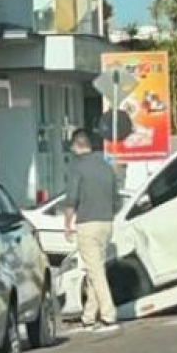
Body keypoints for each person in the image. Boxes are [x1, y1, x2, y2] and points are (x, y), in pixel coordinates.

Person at [63, 128, 122, 332]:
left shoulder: (77, 167)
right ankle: (89, 315)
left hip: (87, 222)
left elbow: (72, 197)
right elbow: (117, 198)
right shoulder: (106, 166)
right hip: (106, 222)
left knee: (94, 271)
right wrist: (110, 212)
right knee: (94, 270)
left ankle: (108, 313)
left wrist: (67, 223)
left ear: (77, 145)